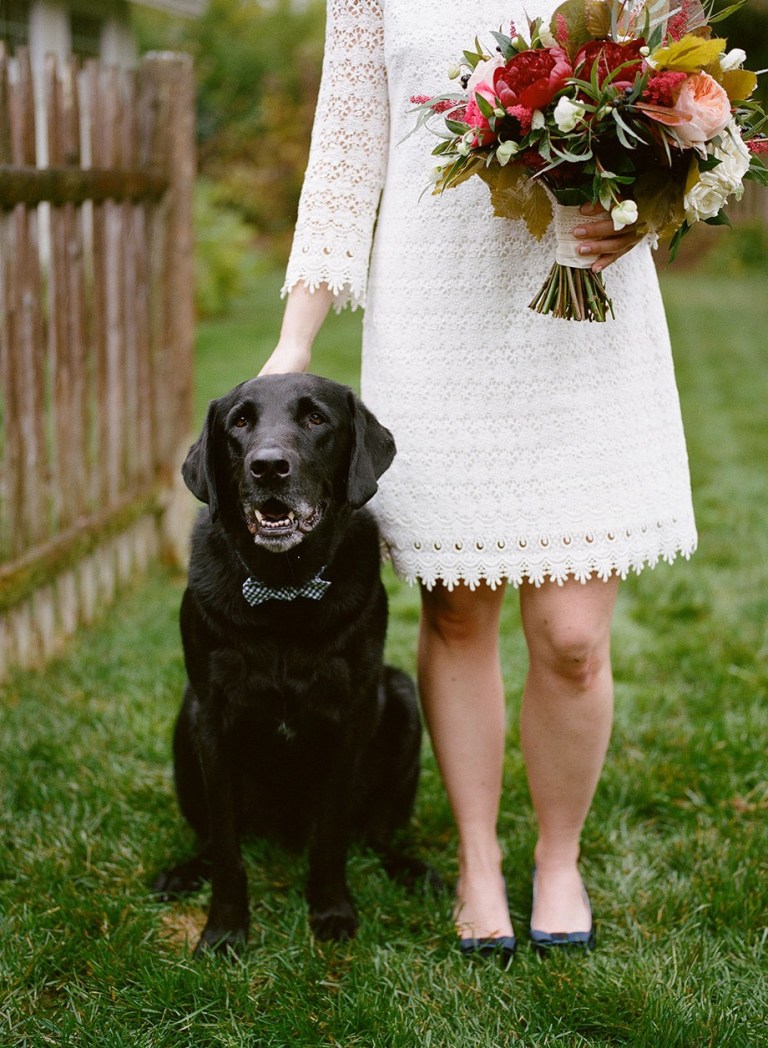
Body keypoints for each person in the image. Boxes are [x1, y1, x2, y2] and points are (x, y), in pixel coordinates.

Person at [260, 0, 696, 958]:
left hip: (585, 312)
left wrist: (643, 215)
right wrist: (296, 340)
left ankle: (558, 857)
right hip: (436, 318)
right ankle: (476, 859)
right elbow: (345, 157)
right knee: (458, 613)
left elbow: (674, 112)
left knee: (574, 637)